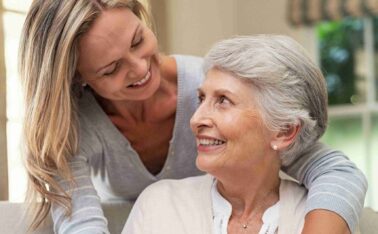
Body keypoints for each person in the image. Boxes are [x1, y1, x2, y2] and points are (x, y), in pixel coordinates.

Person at [19, 1, 366, 233]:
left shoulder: (209, 84)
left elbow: (332, 168)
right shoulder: (71, 127)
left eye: (138, 41)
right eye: (111, 69)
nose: (141, 69)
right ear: (78, 77)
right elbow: (81, 223)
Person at [122, 35, 362, 234]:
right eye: (201, 98)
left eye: (223, 101)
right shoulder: (160, 205)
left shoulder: (319, 218)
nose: (195, 120)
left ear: (285, 131)